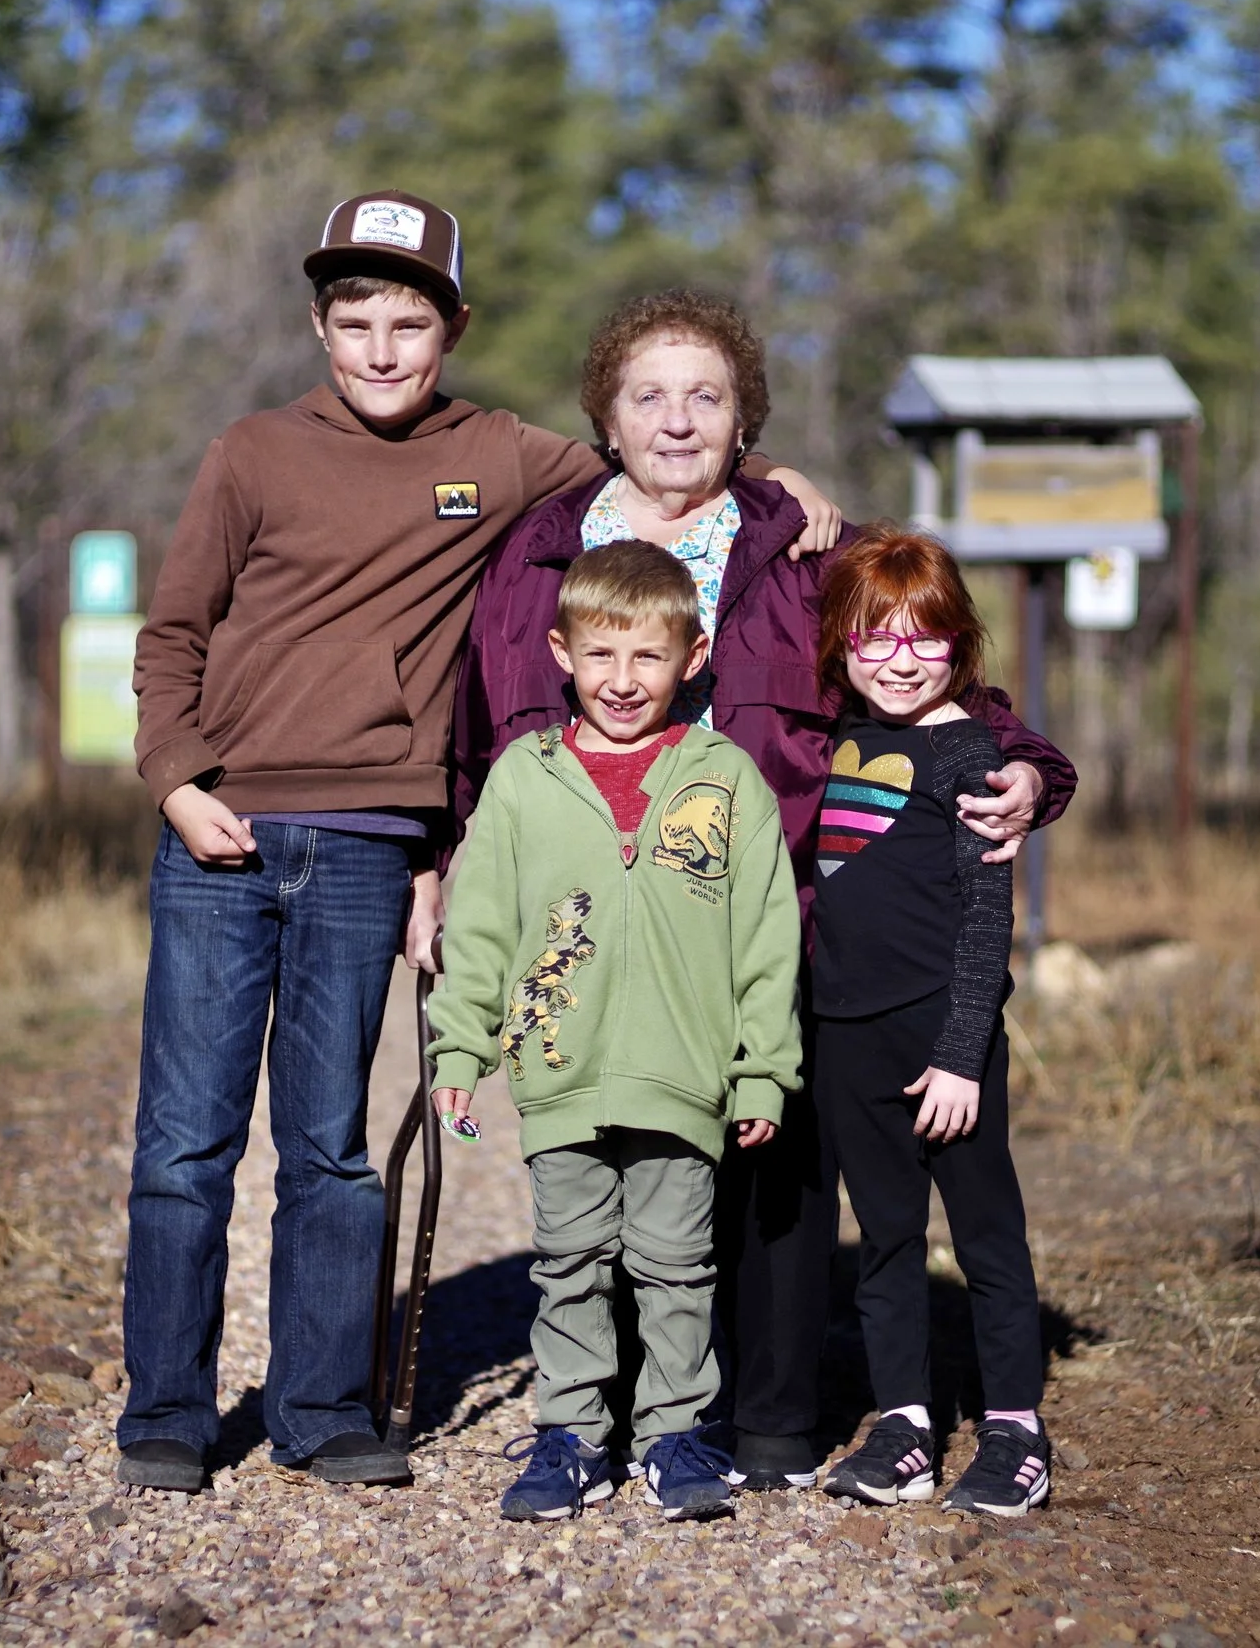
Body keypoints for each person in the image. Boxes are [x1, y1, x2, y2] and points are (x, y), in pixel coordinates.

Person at [118, 194, 840, 1493]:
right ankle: (165, 1409)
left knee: (332, 1147)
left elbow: (660, 467)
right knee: (185, 1144)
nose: (381, 349)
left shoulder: (503, 459)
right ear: (321, 327)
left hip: (370, 842)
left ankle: (325, 1407)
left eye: (408, 322)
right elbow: (173, 633)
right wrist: (174, 779)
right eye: (354, 323)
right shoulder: (249, 454)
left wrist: (782, 482)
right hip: (221, 832)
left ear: (453, 327)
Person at [451, 289, 1076, 1492]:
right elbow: (479, 730)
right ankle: (613, 1411)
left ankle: (768, 1416)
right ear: (605, 416)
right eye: (650, 395)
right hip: (586, 922)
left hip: (772, 908)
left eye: (708, 396)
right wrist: (449, 873)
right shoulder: (534, 554)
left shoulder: (801, 549)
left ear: (745, 421)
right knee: (612, 1147)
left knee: (769, 1159)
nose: (678, 420)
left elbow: (935, 693)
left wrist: (1029, 779)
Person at [428, 542, 803, 1523]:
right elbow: (480, 931)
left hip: (683, 1075)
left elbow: (767, 935)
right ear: (559, 653)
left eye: (647, 656)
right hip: (561, 1073)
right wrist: (459, 1051)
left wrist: (762, 1072)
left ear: (692, 655)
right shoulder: (523, 779)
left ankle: (675, 1435)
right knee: (569, 1265)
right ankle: (572, 1436)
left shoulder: (724, 778)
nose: (623, 680)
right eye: (601, 656)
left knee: (677, 1267)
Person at [807, 526, 1053, 1517]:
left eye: (924, 638)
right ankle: (904, 1423)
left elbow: (986, 919)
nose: (899, 661)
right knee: (884, 1240)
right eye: (875, 639)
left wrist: (958, 1056)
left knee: (987, 1236)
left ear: (960, 641)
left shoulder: (972, 756)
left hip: (944, 1040)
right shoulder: (831, 740)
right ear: (841, 645)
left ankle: (1015, 1436)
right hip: (843, 1033)